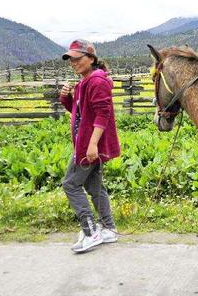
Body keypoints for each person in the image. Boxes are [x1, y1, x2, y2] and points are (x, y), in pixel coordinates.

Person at [59, 39, 121, 252]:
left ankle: (90, 231)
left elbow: (103, 114)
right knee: (95, 187)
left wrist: (92, 144)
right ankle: (109, 228)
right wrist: (65, 97)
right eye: (70, 59)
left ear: (91, 58)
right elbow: (80, 113)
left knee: (70, 184)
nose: (73, 62)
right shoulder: (85, 81)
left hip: (88, 146)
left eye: (77, 58)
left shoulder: (96, 81)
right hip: (84, 143)